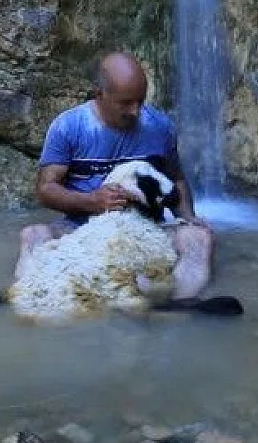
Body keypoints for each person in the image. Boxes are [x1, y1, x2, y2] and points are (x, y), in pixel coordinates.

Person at [19, 51, 214, 298]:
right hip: (82, 229)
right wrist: (92, 201)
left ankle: (179, 304)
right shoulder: (68, 127)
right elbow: (46, 189)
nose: (135, 111)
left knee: (199, 239)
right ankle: (27, 296)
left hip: (148, 230)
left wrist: (188, 217)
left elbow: (176, 178)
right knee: (34, 235)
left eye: (140, 101)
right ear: (99, 94)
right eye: (126, 103)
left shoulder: (160, 127)